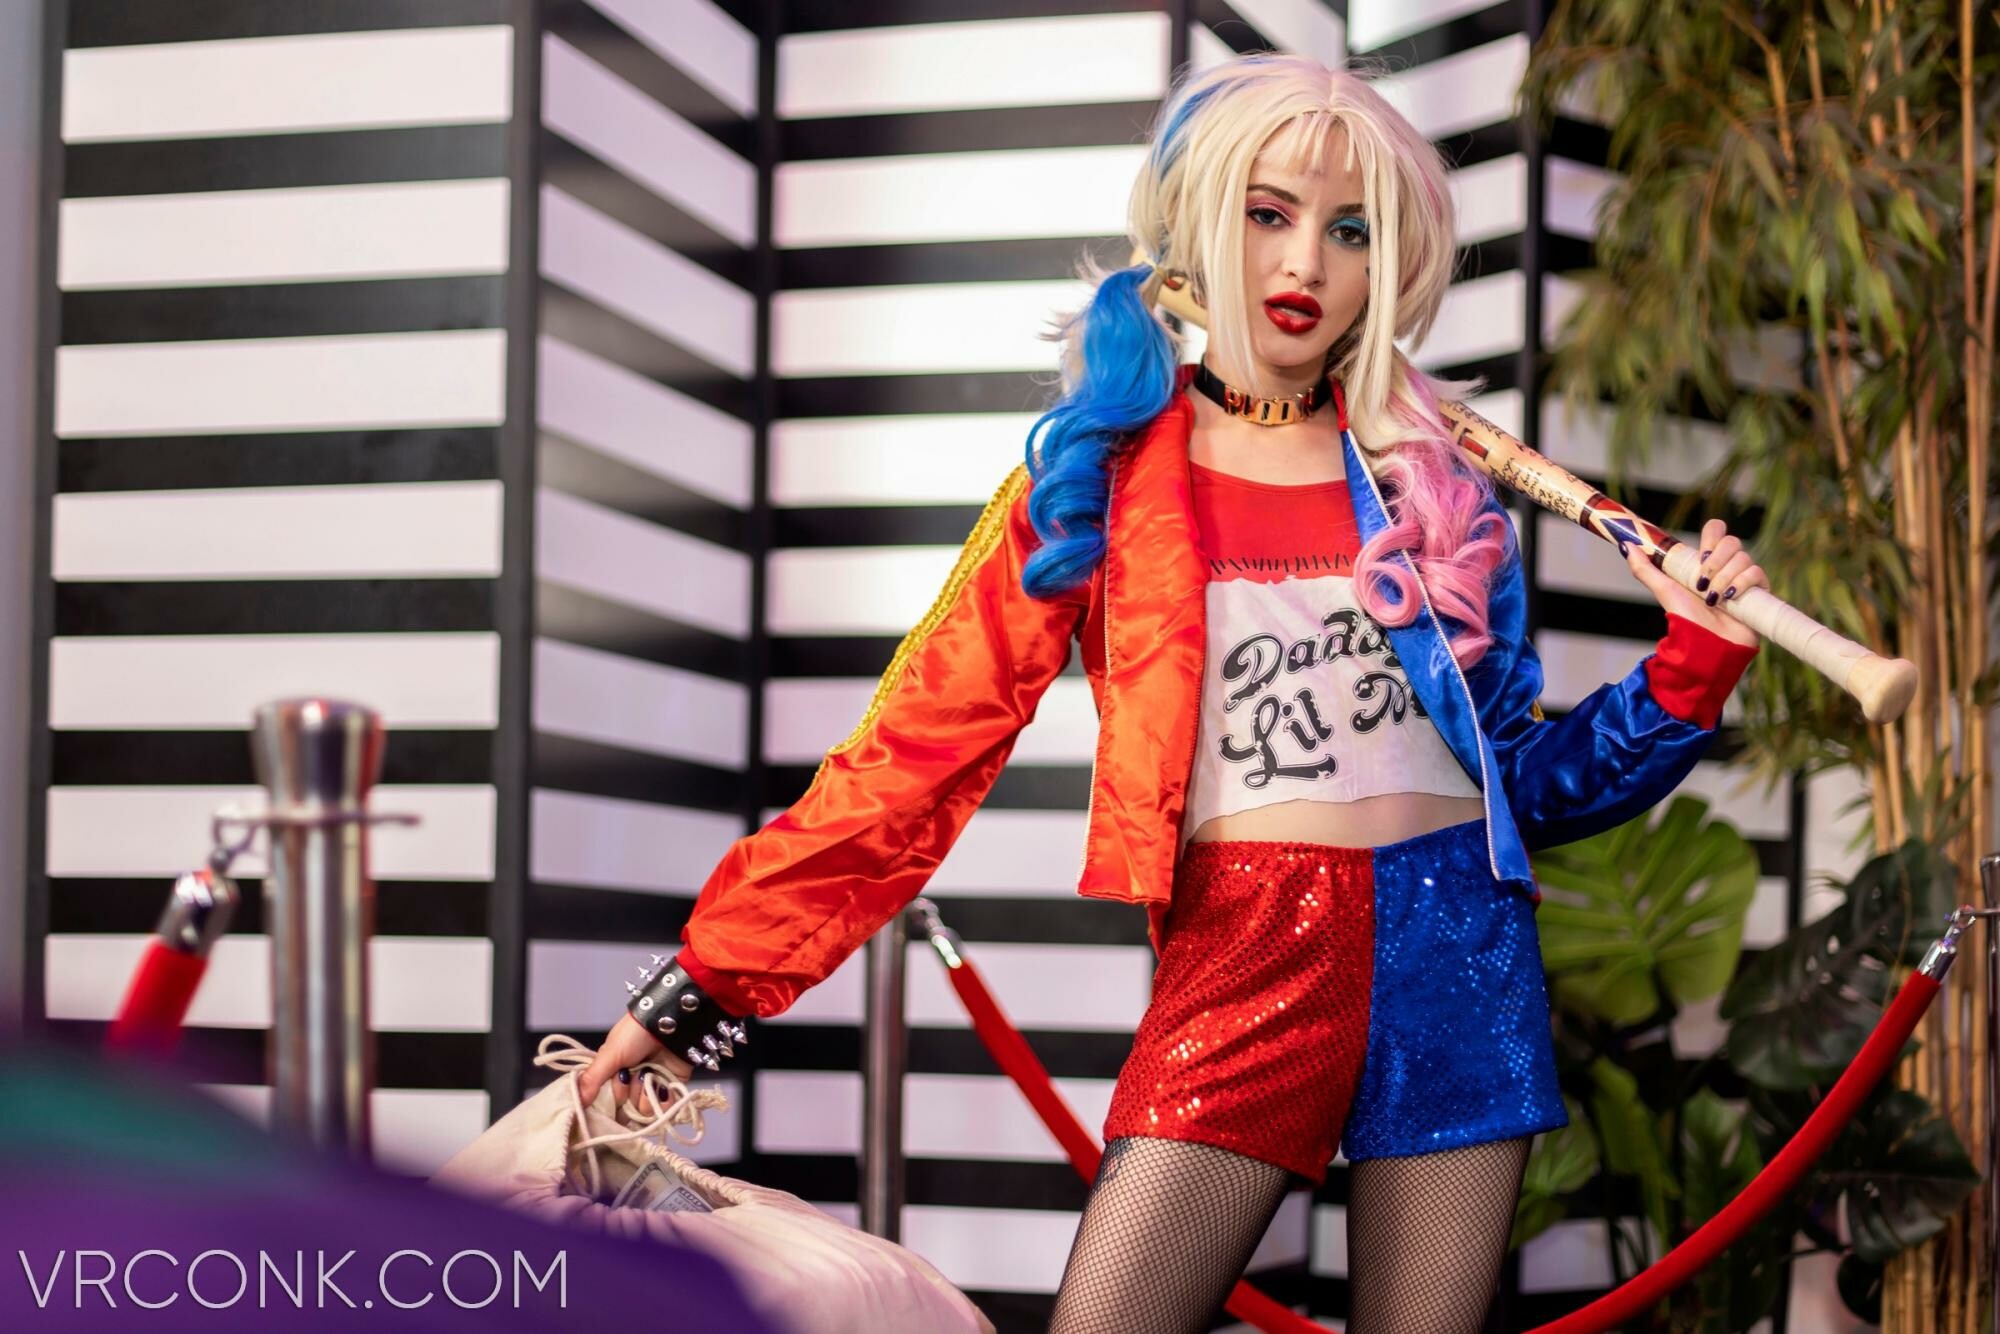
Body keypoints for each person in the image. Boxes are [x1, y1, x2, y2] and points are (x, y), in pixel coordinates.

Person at [577, 52, 1766, 1334]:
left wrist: (1689, 661)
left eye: (1349, 229)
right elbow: (914, 753)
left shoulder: (1434, 487)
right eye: (1267, 213)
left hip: (1456, 940)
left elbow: (1522, 787)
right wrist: (704, 983)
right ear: (1196, 218)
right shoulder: (1097, 483)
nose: (1304, 262)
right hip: (1247, 945)